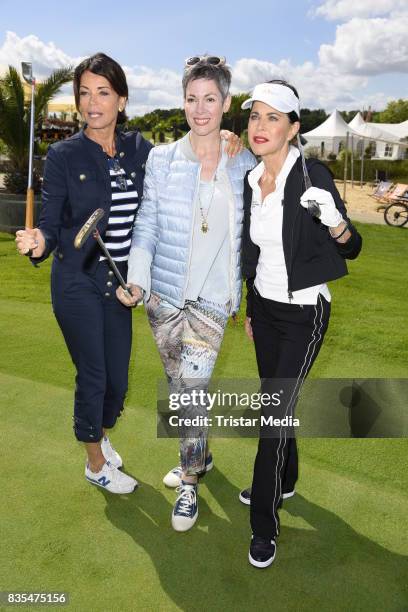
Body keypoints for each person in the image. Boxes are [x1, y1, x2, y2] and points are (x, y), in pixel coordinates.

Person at [117, 55, 256, 532]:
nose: (200, 109)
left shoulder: (243, 161)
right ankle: (201, 454)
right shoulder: (162, 159)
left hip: (214, 301)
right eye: (192, 99)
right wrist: (138, 279)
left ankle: (190, 482)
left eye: (210, 99)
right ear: (183, 101)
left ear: (226, 102)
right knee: (182, 393)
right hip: (164, 299)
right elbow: (147, 225)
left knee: (190, 395)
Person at [15, 53, 153, 494]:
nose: (93, 102)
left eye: (103, 92)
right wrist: (40, 241)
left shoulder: (140, 150)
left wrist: (223, 141)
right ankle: (95, 462)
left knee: (118, 382)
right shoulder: (63, 154)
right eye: (84, 93)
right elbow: (52, 220)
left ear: (122, 99)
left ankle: (102, 432)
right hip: (76, 281)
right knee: (94, 375)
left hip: (118, 284)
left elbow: (185, 168)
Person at [239, 80, 362, 568]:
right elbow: (256, 252)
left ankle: (263, 527)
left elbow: (351, 247)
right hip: (266, 311)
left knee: (271, 417)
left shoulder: (314, 177)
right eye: (254, 117)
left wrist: (335, 222)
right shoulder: (251, 178)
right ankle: (285, 481)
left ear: (293, 128)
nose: (261, 127)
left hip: (305, 313)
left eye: (273, 118)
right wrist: (251, 306)